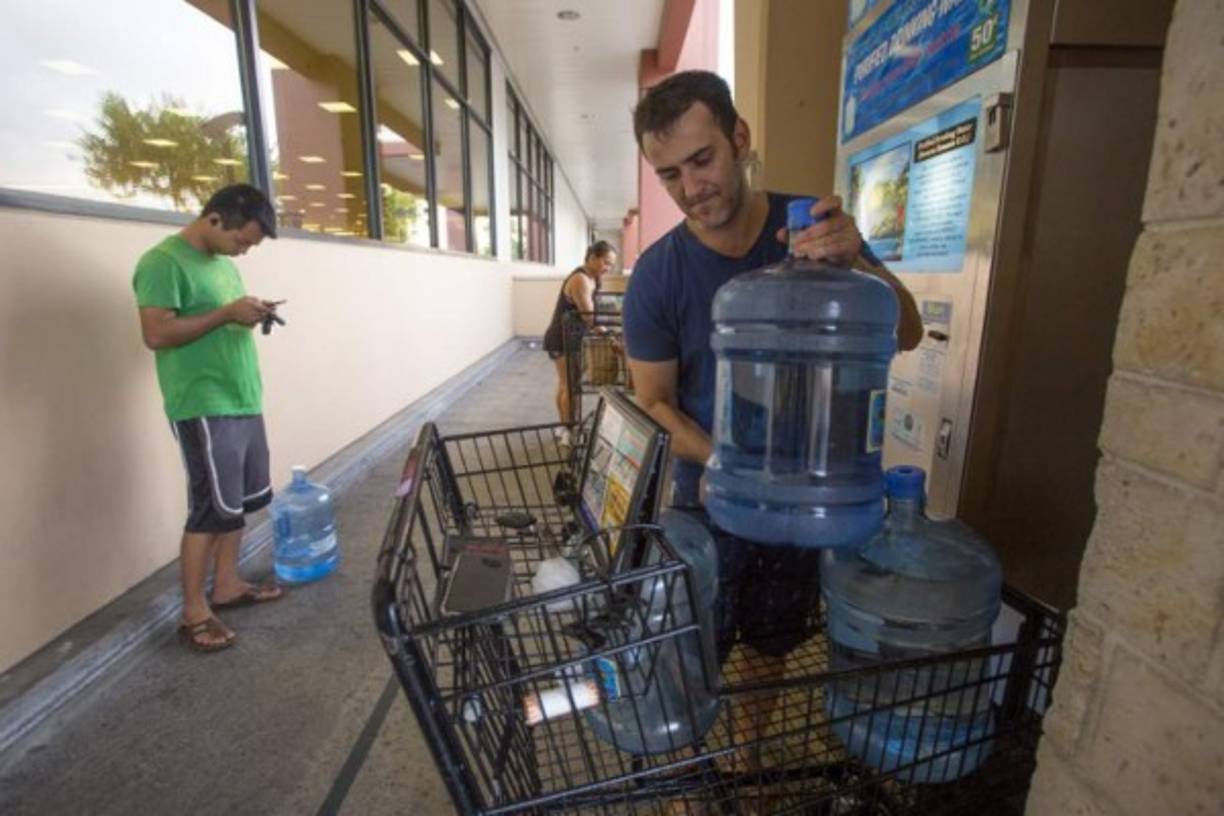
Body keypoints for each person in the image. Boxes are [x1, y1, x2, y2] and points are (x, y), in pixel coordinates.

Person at [622, 71, 922, 754]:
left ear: (740, 139)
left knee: (771, 639)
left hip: (805, 490)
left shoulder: (814, 229)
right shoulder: (659, 276)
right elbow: (654, 401)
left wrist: (863, 268)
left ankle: (746, 763)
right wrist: (730, 463)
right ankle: (690, 791)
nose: (691, 188)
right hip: (707, 498)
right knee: (689, 650)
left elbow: (902, 330)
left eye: (703, 160)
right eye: (670, 175)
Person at [133, 183, 286, 653]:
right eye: (242, 241)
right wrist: (225, 314)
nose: (243, 251)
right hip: (202, 404)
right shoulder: (163, 262)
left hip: (241, 397)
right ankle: (194, 612)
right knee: (208, 509)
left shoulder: (221, 266)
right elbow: (156, 334)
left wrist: (247, 312)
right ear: (215, 219)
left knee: (235, 503)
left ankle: (228, 585)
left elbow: (219, 315)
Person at [541, 240, 618, 424]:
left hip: (573, 337)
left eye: (611, 265)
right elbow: (589, 316)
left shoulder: (592, 278)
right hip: (562, 338)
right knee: (570, 386)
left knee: (565, 384)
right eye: (606, 262)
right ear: (592, 258)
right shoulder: (580, 279)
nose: (608, 268)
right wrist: (609, 333)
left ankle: (564, 426)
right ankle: (568, 428)